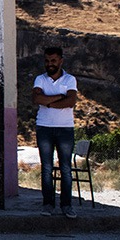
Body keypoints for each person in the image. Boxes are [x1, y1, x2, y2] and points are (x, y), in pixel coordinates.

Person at [32, 46, 79, 219]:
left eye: (53, 60)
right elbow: (36, 98)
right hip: (44, 127)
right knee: (46, 168)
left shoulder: (70, 79)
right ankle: (48, 204)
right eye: (47, 60)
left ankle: (66, 205)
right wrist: (59, 97)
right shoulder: (40, 79)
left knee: (66, 168)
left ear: (61, 61)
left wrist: (48, 102)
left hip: (65, 128)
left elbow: (71, 101)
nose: (49, 64)